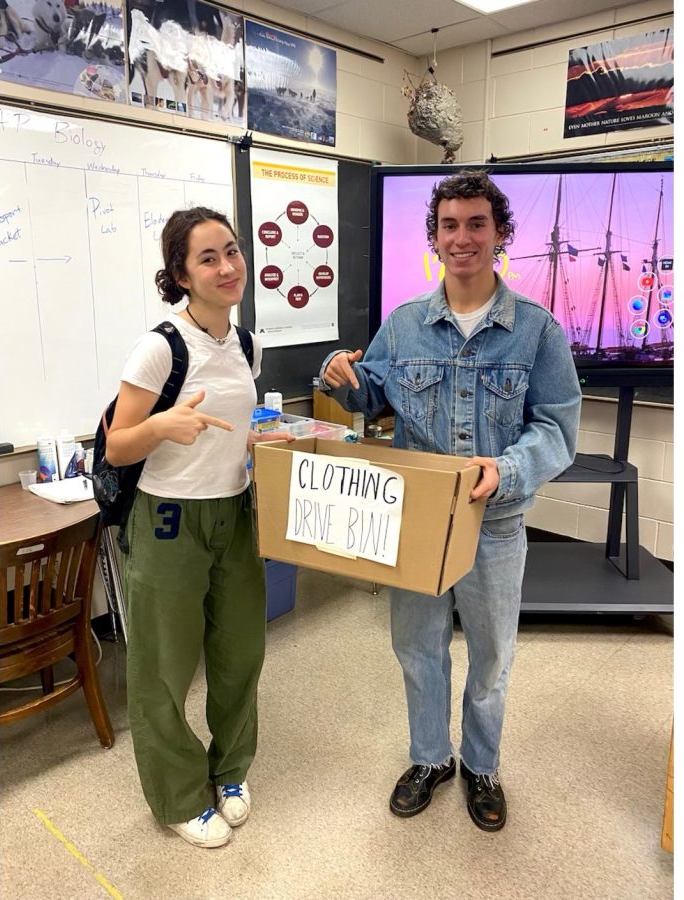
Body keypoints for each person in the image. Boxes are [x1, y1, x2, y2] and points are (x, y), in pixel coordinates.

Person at [319, 170, 581, 832]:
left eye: (475, 224)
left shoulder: (537, 332)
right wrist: (340, 373)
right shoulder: (404, 326)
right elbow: (369, 395)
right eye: (448, 225)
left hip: (493, 527)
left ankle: (481, 765)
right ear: (433, 238)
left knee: (491, 658)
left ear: (499, 236)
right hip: (416, 522)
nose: (460, 238)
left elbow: (557, 429)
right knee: (417, 648)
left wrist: (507, 468)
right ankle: (430, 758)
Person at [106, 206, 293, 848]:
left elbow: (238, 425)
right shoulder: (160, 347)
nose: (227, 267)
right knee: (163, 667)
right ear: (181, 274)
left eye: (233, 252)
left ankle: (231, 770)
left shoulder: (246, 344)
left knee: (241, 653)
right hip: (167, 519)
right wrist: (162, 426)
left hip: (234, 512)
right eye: (208, 258)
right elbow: (117, 446)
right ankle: (181, 795)